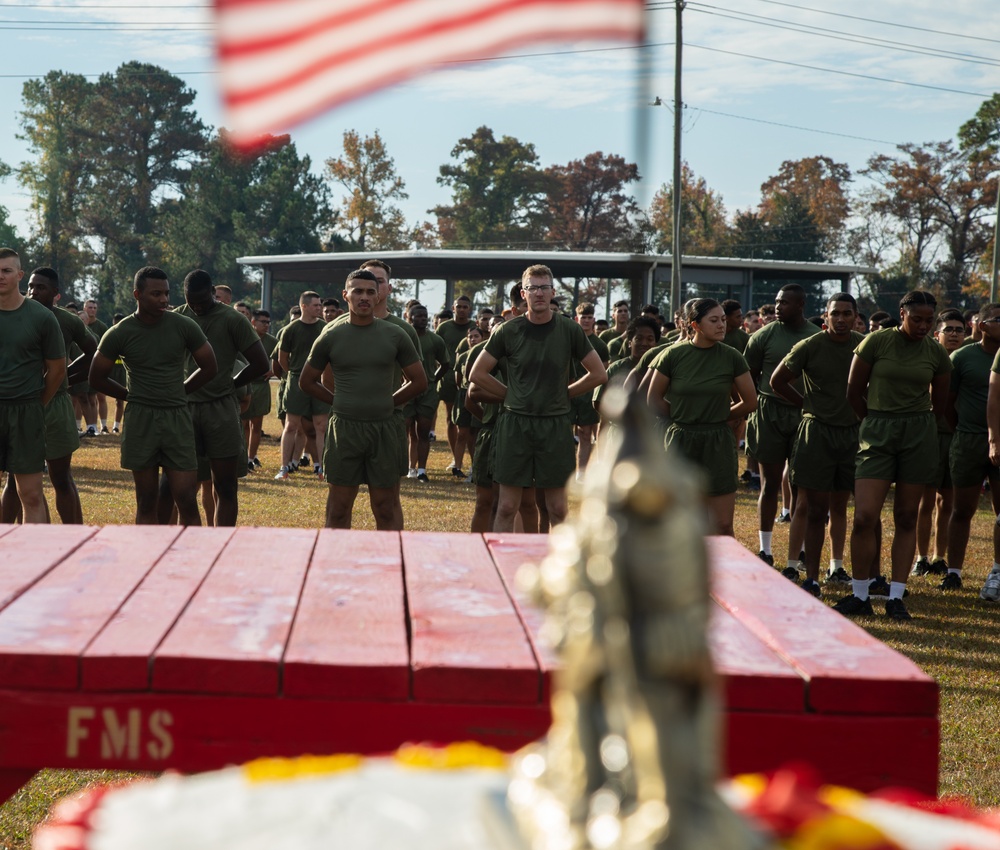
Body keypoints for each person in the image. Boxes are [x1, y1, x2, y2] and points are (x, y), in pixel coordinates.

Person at [835, 290, 952, 620]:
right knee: (864, 516)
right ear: (902, 314)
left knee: (905, 517)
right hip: (878, 431)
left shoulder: (936, 353)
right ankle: (860, 594)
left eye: (929, 321)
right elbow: (853, 392)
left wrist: (917, 425)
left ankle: (896, 597)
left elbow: (940, 404)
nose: (923, 326)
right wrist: (873, 421)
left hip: (918, 435)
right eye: (917, 319)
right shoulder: (876, 343)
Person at [469, 264, 606, 532]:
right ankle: (502, 566)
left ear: (553, 291)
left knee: (557, 509)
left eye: (544, 287)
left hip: (554, 425)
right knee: (507, 507)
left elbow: (598, 374)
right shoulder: (508, 330)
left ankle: (560, 569)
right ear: (524, 293)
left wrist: (564, 394)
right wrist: (511, 395)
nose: (539, 293)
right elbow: (477, 373)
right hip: (515, 425)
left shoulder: (569, 329)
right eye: (533, 288)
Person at [89, 266, 218, 525]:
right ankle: (146, 560)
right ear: (137, 294)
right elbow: (96, 377)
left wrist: (180, 392)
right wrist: (130, 396)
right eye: (156, 294)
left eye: (167, 293)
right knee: (146, 500)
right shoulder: (120, 332)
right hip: (140, 420)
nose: (164, 300)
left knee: (186, 499)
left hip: (177, 417)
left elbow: (210, 366)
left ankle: (194, 561)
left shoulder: (183, 325)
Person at [299, 269, 426, 529]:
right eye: (357, 291)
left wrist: (390, 402)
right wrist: (338, 401)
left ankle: (390, 565)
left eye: (370, 291)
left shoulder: (395, 334)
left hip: (385, 428)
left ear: (379, 295)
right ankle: (334, 564)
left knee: (385, 507)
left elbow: (419, 381)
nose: (364, 297)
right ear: (346, 295)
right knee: (339, 508)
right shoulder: (331, 335)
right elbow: (306, 381)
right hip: (344, 429)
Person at [770, 294, 864, 597]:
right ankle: (810, 577)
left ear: (855, 316)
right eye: (835, 313)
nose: (840, 319)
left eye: (846, 314)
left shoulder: (864, 346)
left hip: (852, 434)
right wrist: (807, 404)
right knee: (813, 509)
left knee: (843, 506)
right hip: (816, 435)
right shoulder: (810, 345)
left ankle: (838, 566)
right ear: (826, 316)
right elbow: (777, 381)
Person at [646, 299, 756, 535]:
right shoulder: (673, 355)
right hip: (680, 440)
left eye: (723, 320)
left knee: (722, 525)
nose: (721, 326)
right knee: (677, 522)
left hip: (718, 441)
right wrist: (680, 418)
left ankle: (724, 572)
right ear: (695, 325)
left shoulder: (732, 356)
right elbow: (653, 398)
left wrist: (719, 417)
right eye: (714, 320)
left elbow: (750, 401)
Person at [174, 270, 269, 526]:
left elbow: (261, 363)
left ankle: (221, 543)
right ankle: (181, 542)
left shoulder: (231, 319)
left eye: (203, 301)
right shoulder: (177, 318)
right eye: (191, 301)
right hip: (185, 409)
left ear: (213, 292)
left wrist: (231, 384)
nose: (197, 307)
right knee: (181, 488)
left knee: (224, 487)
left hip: (221, 410)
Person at [1, 267, 94, 525]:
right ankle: (9, 539)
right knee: (13, 480)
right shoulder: (13, 315)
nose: (33, 292)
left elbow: (92, 352)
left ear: (56, 294)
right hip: (21, 405)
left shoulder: (67, 320)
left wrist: (66, 377)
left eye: (40, 287)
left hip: (56, 405)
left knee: (62, 478)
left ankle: (74, 536)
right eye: (30, 286)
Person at [743, 284, 820, 569]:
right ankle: (765, 549)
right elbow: (747, 376)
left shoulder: (815, 337)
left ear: (800, 305)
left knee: (801, 486)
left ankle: (798, 551)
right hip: (769, 413)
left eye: (785, 303)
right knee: (770, 483)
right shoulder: (763, 336)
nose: (778, 307)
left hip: (805, 416)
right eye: (776, 302)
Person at [0, 249, 66, 524]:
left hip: (27, 411)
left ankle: (35, 562)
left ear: (19, 275)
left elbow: (57, 369)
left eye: (6, 270)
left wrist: (38, 402)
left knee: (31, 494)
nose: (0, 276)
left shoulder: (41, 317)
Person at [948, 303, 1000, 595]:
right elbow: (947, 402)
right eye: (998, 320)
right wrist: (962, 429)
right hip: (968, 439)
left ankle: (997, 571)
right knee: (962, 509)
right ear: (982, 326)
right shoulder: (963, 357)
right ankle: (954, 571)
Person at [913, 309, 965, 581]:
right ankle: (921, 557)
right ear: (937, 334)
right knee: (925, 501)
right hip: (929, 435)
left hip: (955, 436)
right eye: (949, 329)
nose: (954, 334)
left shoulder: (965, 361)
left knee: (948, 502)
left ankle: (939, 556)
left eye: (959, 329)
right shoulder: (926, 357)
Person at [275, 291, 327, 480]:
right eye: (316, 305)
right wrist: (295, 374)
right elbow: (282, 358)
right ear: (304, 306)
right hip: (296, 380)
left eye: (320, 305)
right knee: (291, 425)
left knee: (321, 425)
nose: (319, 308)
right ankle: (284, 468)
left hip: (319, 382)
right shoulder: (291, 329)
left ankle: (322, 468)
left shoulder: (325, 328)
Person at [405, 303, 451, 482]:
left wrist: (432, 379)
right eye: (418, 316)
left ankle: (422, 470)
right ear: (409, 317)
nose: (422, 319)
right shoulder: (404, 338)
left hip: (427, 391)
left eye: (425, 316)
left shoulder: (435, 340)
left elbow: (445, 364)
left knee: (423, 431)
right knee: (405, 429)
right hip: (406, 390)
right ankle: (408, 467)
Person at [435, 295, 474, 472]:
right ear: (453, 308)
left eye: (465, 307)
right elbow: (436, 349)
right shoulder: (444, 327)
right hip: (448, 379)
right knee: (451, 418)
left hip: (470, 381)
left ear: (470, 309)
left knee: (471, 424)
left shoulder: (474, 328)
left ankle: (473, 460)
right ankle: (454, 458)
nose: (462, 310)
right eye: (459, 307)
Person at [572, 302, 610, 477]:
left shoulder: (600, 345)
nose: (586, 321)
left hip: (588, 395)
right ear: (576, 318)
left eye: (589, 317)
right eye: (583, 317)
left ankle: (581, 473)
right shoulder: (569, 340)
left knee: (586, 434)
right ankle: (564, 472)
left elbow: (603, 374)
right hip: (568, 393)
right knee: (563, 434)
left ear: (593, 319)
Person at [244, 309, 277, 471]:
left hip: (262, 386)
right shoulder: (245, 338)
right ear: (253, 323)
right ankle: (242, 457)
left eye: (268, 322)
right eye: (263, 322)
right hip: (245, 384)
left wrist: (274, 371)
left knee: (256, 425)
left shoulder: (272, 341)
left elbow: (282, 360)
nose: (266, 325)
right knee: (242, 423)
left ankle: (251, 458)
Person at [82, 298, 110, 434]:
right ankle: (86, 426)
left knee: (100, 397)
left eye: (94, 308)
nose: (92, 310)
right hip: (83, 365)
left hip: (98, 366)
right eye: (89, 307)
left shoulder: (102, 327)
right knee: (82, 396)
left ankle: (103, 425)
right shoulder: (79, 325)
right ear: (84, 308)